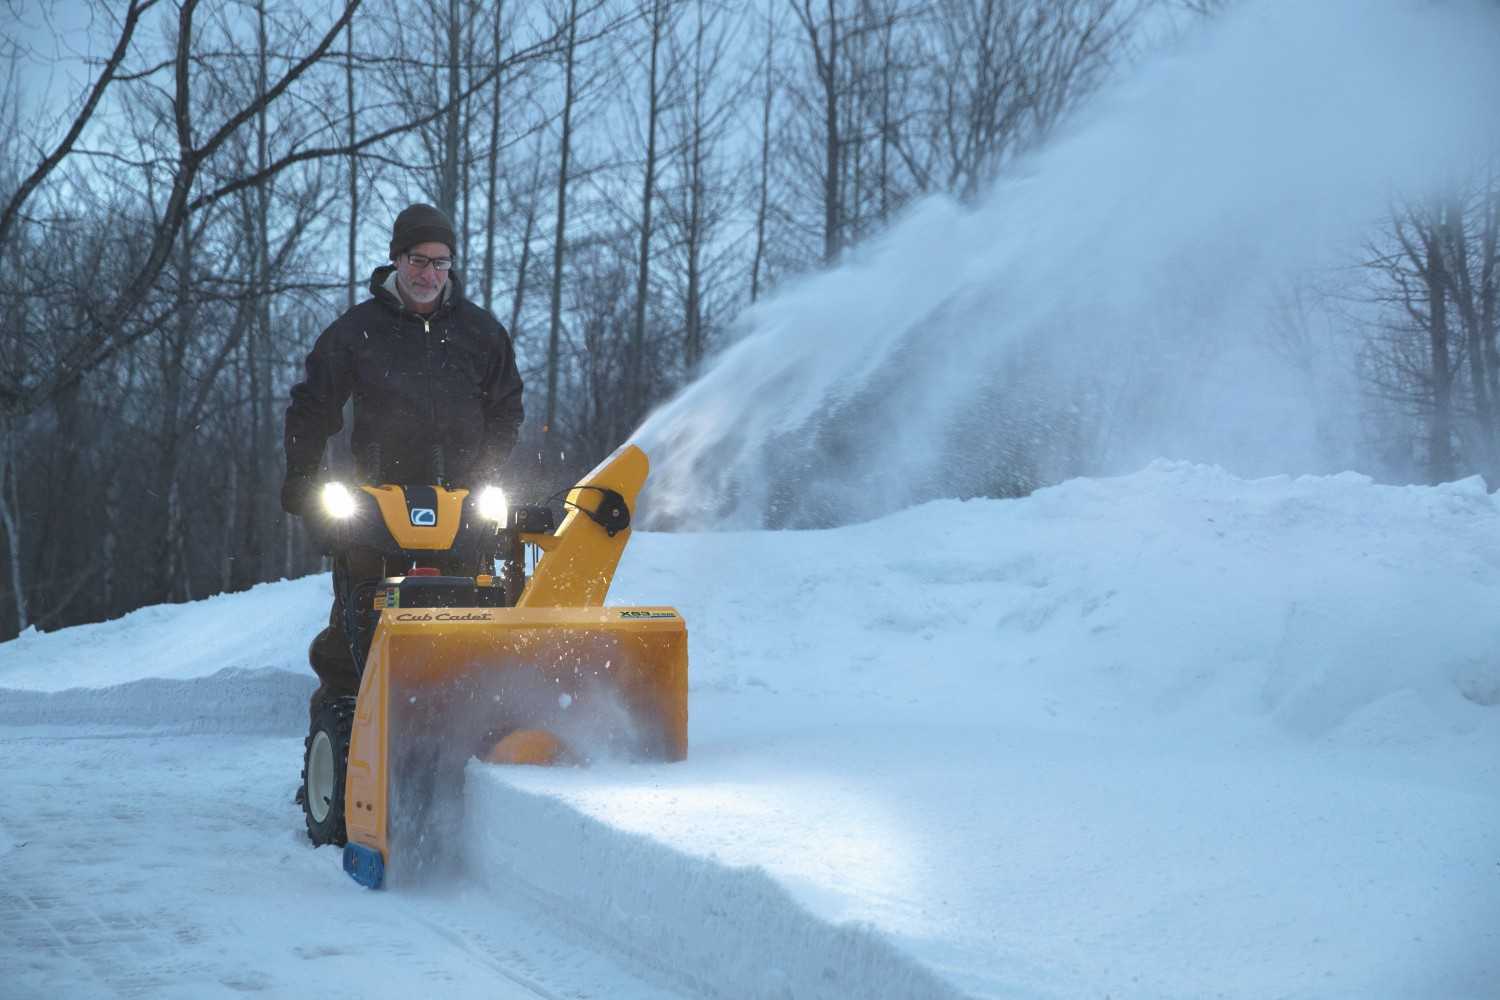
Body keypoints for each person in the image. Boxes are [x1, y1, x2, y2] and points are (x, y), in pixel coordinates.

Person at [281, 203, 524, 724]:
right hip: (376, 503)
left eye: (441, 262)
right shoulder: (358, 331)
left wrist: (487, 474)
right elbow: (313, 405)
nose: (429, 274)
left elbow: (507, 409)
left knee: (470, 614)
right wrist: (303, 474)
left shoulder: (480, 332)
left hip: (462, 503)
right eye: (419, 260)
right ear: (396, 259)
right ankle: (340, 737)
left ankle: (468, 722)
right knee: (356, 625)